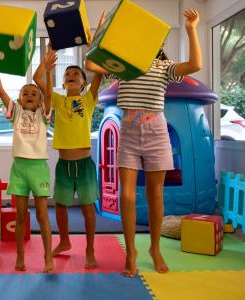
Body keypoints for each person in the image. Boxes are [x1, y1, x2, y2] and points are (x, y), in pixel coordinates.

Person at [85, 9, 202, 276]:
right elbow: (91, 66)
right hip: (128, 130)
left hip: (157, 132)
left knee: (155, 195)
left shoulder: (164, 68)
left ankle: (154, 248)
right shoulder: (123, 65)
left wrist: (192, 28)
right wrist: (101, 34)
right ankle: (131, 251)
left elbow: (195, 65)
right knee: (126, 196)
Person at [33, 44, 103, 269]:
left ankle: (90, 248)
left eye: (76, 74)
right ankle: (64, 241)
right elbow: (37, 78)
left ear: (84, 83)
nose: (71, 76)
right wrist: (47, 61)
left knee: (87, 207)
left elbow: (99, 71)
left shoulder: (89, 99)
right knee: (61, 206)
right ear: (62, 83)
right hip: (64, 165)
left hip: (84, 165)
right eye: (67, 75)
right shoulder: (56, 99)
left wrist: (96, 41)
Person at [0, 51, 56, 272]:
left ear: (39, 101)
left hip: (38, 168)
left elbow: (49, 94)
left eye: (33, 94)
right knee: (20, 215)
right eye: (25, 93)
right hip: (19, 168)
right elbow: (0, 91)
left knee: (41, 214)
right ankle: (20, 256)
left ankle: (48, 256)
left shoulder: (43, 114)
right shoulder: (16, 112)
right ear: (19, 99)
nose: (29, 95)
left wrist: (47, 70)